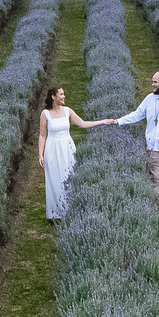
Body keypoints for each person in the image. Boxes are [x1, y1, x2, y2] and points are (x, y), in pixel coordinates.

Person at [111, 71, 159, 221]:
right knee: (155, 180)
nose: (152, 85)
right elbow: (137, 114)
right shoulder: (149, 100)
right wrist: (119, 121)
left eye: (155, 82)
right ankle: (154, 210)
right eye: (152, 82)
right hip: (153, 147)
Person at [39, 87, 114, 220]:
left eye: (64, 94)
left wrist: (103, 121)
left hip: (67, 148)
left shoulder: (68, 111)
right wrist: (41, 154)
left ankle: (71, 209)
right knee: (55, 178)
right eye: (61, 94)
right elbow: (42, 135)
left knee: (70, 176)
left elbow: (83, 124)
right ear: (53, 96)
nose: (64, 96)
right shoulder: (45, 114)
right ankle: (56, 213)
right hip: (52, 149)